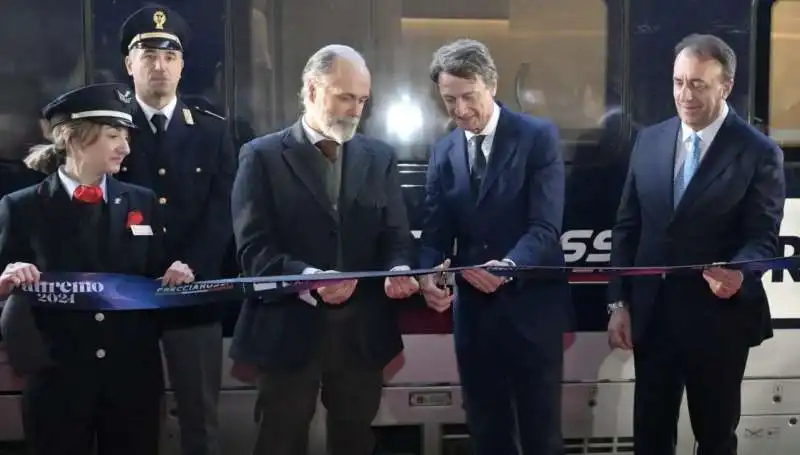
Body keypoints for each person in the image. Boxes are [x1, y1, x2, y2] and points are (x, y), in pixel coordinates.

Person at [229, 44, 418, 455]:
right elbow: (253, 251)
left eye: (363, 100)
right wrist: (311, 280)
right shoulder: (261, 157)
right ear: (312, 89)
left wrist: (399, 271)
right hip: (288, 333)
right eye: (345, 97)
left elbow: (396, 238)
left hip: (363, 336)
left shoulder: (380, 157)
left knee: (355, 442)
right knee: (280, 440)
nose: (355, 110)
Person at [607, 33, 785, 455]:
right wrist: (619, 303)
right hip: (653, 319)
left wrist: (738, 273)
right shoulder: (649, 141)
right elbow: (627, 227)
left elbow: (763, 235)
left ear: (725, 87)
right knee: (650, 437)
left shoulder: (758, 152)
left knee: (716, 437)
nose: (684, 95)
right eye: (678, 82)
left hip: (718, 321)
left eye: (698, 84)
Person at [0, 82, 196, 455]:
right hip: (58, 378)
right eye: (112, 135)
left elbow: (155, 274)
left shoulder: (143, 201)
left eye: (125, 135)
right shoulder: (22, 207)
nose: (125, 146)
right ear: (74, 139)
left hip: (132, 377)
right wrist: (9, 277)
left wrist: (175, 277)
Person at [418, 39, 571, 455]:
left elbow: (545, 227)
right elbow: (435, 232)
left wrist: (506, 266)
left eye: (469, 97)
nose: (460, 110)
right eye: (449, 100)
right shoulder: (444, 150)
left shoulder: (537, 137)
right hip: (474, 319)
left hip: (531, 312)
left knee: (540, 434)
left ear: (492, 84)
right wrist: (427, 276)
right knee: (486, 431)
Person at [116, 6, 237, 455]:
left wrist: (191, 265)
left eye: (170, 56)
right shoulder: (110, 129)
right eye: (148, 54)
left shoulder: (212, 131)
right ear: (130, 64)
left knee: (200, 424)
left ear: (182, 65)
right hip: (129, 299)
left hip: (194, 296)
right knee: (132, 419)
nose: (160, 65)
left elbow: (223, 210)